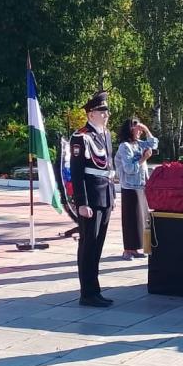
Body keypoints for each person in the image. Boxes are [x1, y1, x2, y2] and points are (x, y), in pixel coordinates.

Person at [70, 91, 115, 308]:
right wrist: (82, 203)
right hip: (91, 198)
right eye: (101, 111)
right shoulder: (81, 136)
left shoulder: (105, 134)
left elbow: (108, 168)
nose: (106, 114)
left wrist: (112, 196)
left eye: (106, 110)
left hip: (104, 196)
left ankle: (95, 289)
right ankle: (86, 293)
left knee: (98, 246)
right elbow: (77, 174)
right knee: (88, 245)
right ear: (90, 114)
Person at [114, 117, 158, 261]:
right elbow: (129, 169)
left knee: (142, 218)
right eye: (136, 127)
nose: (139, 131)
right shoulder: (124, 146)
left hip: (141, 185)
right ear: (129, 129)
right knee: (131, 219)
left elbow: (154, 143)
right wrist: (143, 159)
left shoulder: (139, 143)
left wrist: (146, 129)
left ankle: (137, 247)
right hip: (130, 187)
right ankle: (128, 249)